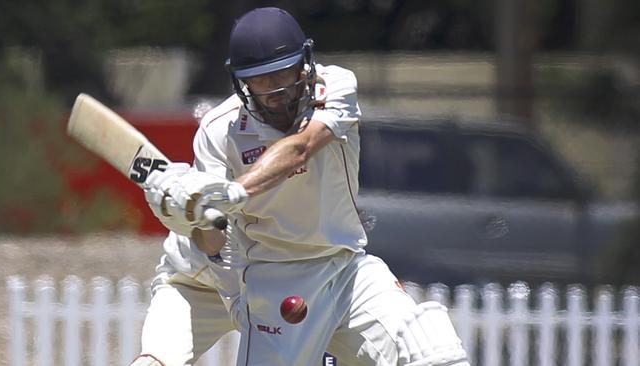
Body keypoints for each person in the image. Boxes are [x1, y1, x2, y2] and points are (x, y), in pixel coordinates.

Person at [141, 7, 470, 366]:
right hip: (273, 278)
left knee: (435, 351)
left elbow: (300, 148)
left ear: (305, 63)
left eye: (284, 71)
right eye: (262, 80)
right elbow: (215, 240)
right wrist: (188, 214)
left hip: (346, 266)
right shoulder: (220, 129)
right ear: (242, 82)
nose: (276, 89)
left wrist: (234, 191)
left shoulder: (336, 86)